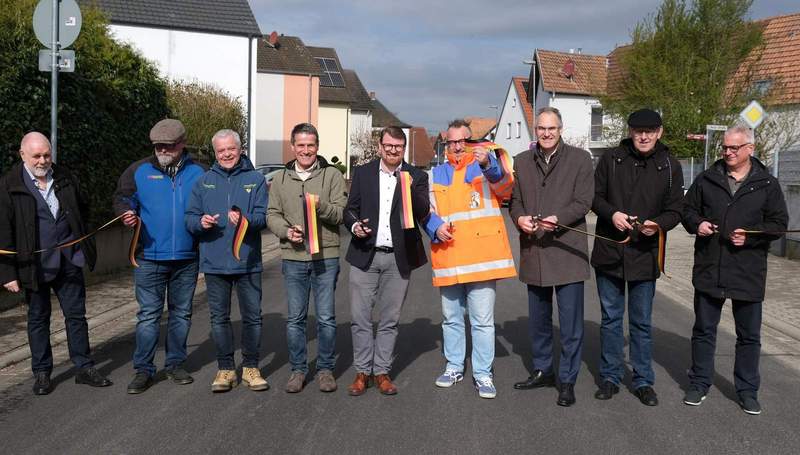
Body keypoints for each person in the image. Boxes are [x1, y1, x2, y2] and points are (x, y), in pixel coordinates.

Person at [682, 125, 788, 415]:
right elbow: (687, 211)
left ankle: (747, 390)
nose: (728, 152)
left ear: (750, 149)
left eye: (734, 148)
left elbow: (779, 224)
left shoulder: (768, 184)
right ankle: (699, 382)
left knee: (749, 336)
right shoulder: (707, 178)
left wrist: (752, 236)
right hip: (710, 266)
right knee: (704, 330)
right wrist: (697, 224)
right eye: (725, 147)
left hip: (748, 270)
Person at [0, 132, 112, 395]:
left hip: (69, 259)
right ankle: (42, 372)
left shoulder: (64, 177)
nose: (42, 161)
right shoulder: (9, 186)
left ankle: (84, 367)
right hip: (33, 265)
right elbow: (3, 231)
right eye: (37, 156)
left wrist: (80, 242)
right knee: (38, 319)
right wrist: (7, 273)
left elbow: (82, 208)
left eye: (46, 155)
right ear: (23, 155)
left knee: (76, 316)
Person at [591, 109, 684, 406]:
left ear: (660, 132)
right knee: (610, 320)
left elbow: (676, 209)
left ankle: (643, 380)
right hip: (610, 252)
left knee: (642, 323)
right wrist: (612, 214)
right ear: (630, 131)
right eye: (638, 131)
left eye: (650, 131)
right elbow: (594, 196)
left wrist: (657, 225)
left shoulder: (670, 165)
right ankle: (609, 376)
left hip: (645, 255)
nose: (644, 136)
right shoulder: (611, 159)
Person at [424, 119, 516, 399]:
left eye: (461, 141)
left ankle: (482, 373)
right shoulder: (435, 173)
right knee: (451, 319)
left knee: (482, 321)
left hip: (482, 260)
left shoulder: (486, 167)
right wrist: (433, 227)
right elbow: (425, 210)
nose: (456, 146)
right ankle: (454, 366)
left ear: (472, 142)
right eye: (451, 142)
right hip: (449, 256)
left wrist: (489, 164)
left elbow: (506, 188)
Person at [114, 119, 206, 394]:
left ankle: (175, 364)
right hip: (149, 257)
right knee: (149, 316)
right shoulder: (138, 170)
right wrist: (125, 213)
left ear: (182, 144)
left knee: (181, 314)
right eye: (158, 146)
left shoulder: (200, 172)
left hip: (187, 257)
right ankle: (143, 369)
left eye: (168, 146)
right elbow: (122, 197)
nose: (162, 150)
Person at [509, 108, 594, 407]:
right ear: (536, 130)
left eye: (552, 128)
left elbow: (584, 201)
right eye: (542, 128)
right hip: (535, 251)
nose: (546, 133)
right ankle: (543, 369)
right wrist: (519, 219)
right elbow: (514, 201)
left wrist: (559, 218)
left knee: (570, 326)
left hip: (567, 251)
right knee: (539, 322)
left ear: (561, 129)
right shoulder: (521, 161)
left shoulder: (581, 159)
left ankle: (567, 380)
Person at [343, 126, 430, 396]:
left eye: (398, 147)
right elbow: (350, 209)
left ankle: (381, 372)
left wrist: (408, 186)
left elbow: (423, 211)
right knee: (360, 318)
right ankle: (362, 372)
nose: (393, 150)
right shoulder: (363, 172)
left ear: (404, 149)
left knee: (390, 319)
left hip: (398, 258)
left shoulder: (416, 176)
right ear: (380, 146)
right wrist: (355, 226)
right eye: (389, 146)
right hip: (364, 254)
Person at [185, 129, 269, 393]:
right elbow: (190, 217)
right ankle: (225, 369)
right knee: (219, 318)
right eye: (221, 151)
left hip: (248, 262)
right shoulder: (203, 181)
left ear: (240, 148)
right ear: (215, 153)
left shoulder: (255, 179)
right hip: (214, 262)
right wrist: (200, 222)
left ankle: (251, 367)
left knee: (252, 318)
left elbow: (263, 216)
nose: (226, 154)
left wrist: (245, 221)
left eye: (231, 149)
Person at [267, 123, 347, 393]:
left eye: (310, 145)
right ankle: (298, 370)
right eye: (300, 145)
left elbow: (341, 214)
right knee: (295, 319)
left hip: (326, 256)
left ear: (317, 146)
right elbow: (272, 214)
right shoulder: (279, 179)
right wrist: (286, 232)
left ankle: (325, 369)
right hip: (293, 256)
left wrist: (320, 206)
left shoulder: (332, 176)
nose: (305, 150)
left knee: (325, 317)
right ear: (292, 147)